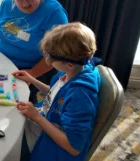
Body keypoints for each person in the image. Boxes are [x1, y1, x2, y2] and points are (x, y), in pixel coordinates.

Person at [13, 22, 101, 161]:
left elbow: (73, 147)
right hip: (46, 119)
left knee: (9, 141)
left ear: (69, 64)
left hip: (52, 144)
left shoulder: (81, 95)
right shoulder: (73, 71)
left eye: (49, 57)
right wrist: (33, 80)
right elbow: (58, 95)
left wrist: (37, 117)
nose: (47, 61)